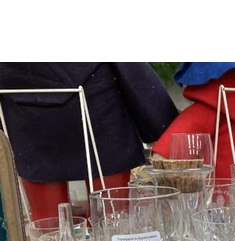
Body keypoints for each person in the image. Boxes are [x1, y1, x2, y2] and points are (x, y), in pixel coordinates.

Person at [0, 62, 179, 220]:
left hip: (25, 113)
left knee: (48, 224)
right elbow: (134, 71)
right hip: (99, 113)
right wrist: (162, 125)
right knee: (112, 218)